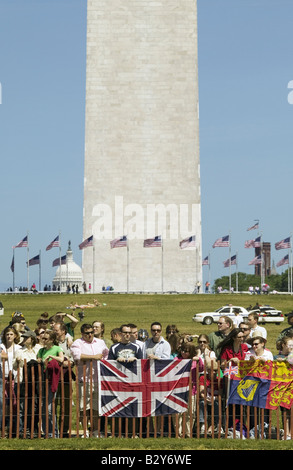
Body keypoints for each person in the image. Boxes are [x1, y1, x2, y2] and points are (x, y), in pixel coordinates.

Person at [70, 324, 109, 437]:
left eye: (92, 332)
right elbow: (77, 356)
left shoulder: (100, 342)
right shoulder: (77, 343)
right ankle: (85, 430)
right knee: (84, 407)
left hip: (98, 378)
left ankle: (95, 430)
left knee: (96, 406)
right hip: (84, 379)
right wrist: (94, 357)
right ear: (82, 334)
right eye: (87, 333)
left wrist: (101, 359)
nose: (90, 334)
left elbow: (105, 354)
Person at [172, 342, 204, 437]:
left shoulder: (195, 360)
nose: (184, 353)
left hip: (192, 389)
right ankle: (178, 433)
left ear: (191, 352)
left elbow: (202, 369)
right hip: (178, 390)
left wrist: (198, 360)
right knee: (178, 413)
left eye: (186, 351)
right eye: (182, 350)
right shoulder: (177, 359)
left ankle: (188, 433)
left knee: (190, 412)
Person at [37, 330, 64, 438]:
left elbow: (61, 359)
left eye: (45, 339)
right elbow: (39, 360)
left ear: (51, 340)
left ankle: (54, 432)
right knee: (43, 408)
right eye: (42, 338)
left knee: (49, 408)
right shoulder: (41, 350)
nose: (43, 340)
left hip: (52, 380)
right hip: (42, 380)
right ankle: (47, 432)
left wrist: (51, 358)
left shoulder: (57, 349)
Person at [52, 322, 75, 438]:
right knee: (53, 403)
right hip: (53, 376)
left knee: (65, 403)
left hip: (66, 376)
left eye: (56, 330)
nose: (54, 332)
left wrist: (69, 362)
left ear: (63, 331)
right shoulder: (52, 342)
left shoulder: (69, 343)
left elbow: (74, 357)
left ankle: (64, 429)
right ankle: (53, 428)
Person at [0, 326, 22, 436]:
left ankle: (12, 426)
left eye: (11, 334)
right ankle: (3, 425)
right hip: (2, 377)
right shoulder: (1, 346)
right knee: (3, 402)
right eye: (7, 334)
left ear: (15, 336)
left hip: (14, 377)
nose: (9, 336)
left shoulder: (18, 348)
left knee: (14, 402)